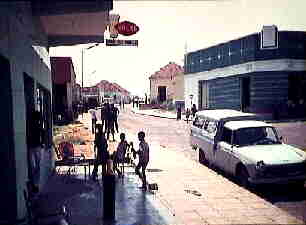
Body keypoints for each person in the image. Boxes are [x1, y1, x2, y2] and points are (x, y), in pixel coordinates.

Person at [27, 110, 44, 188]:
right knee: (35, 166)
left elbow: (43, 133)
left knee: (35, 166)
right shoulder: (34, 125)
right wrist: (42, 143)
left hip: (35, 147)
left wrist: (42, 143)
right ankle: (35, 183)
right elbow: (43, 133)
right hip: (34, 147)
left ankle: (35, 184)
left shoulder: (36, 125)